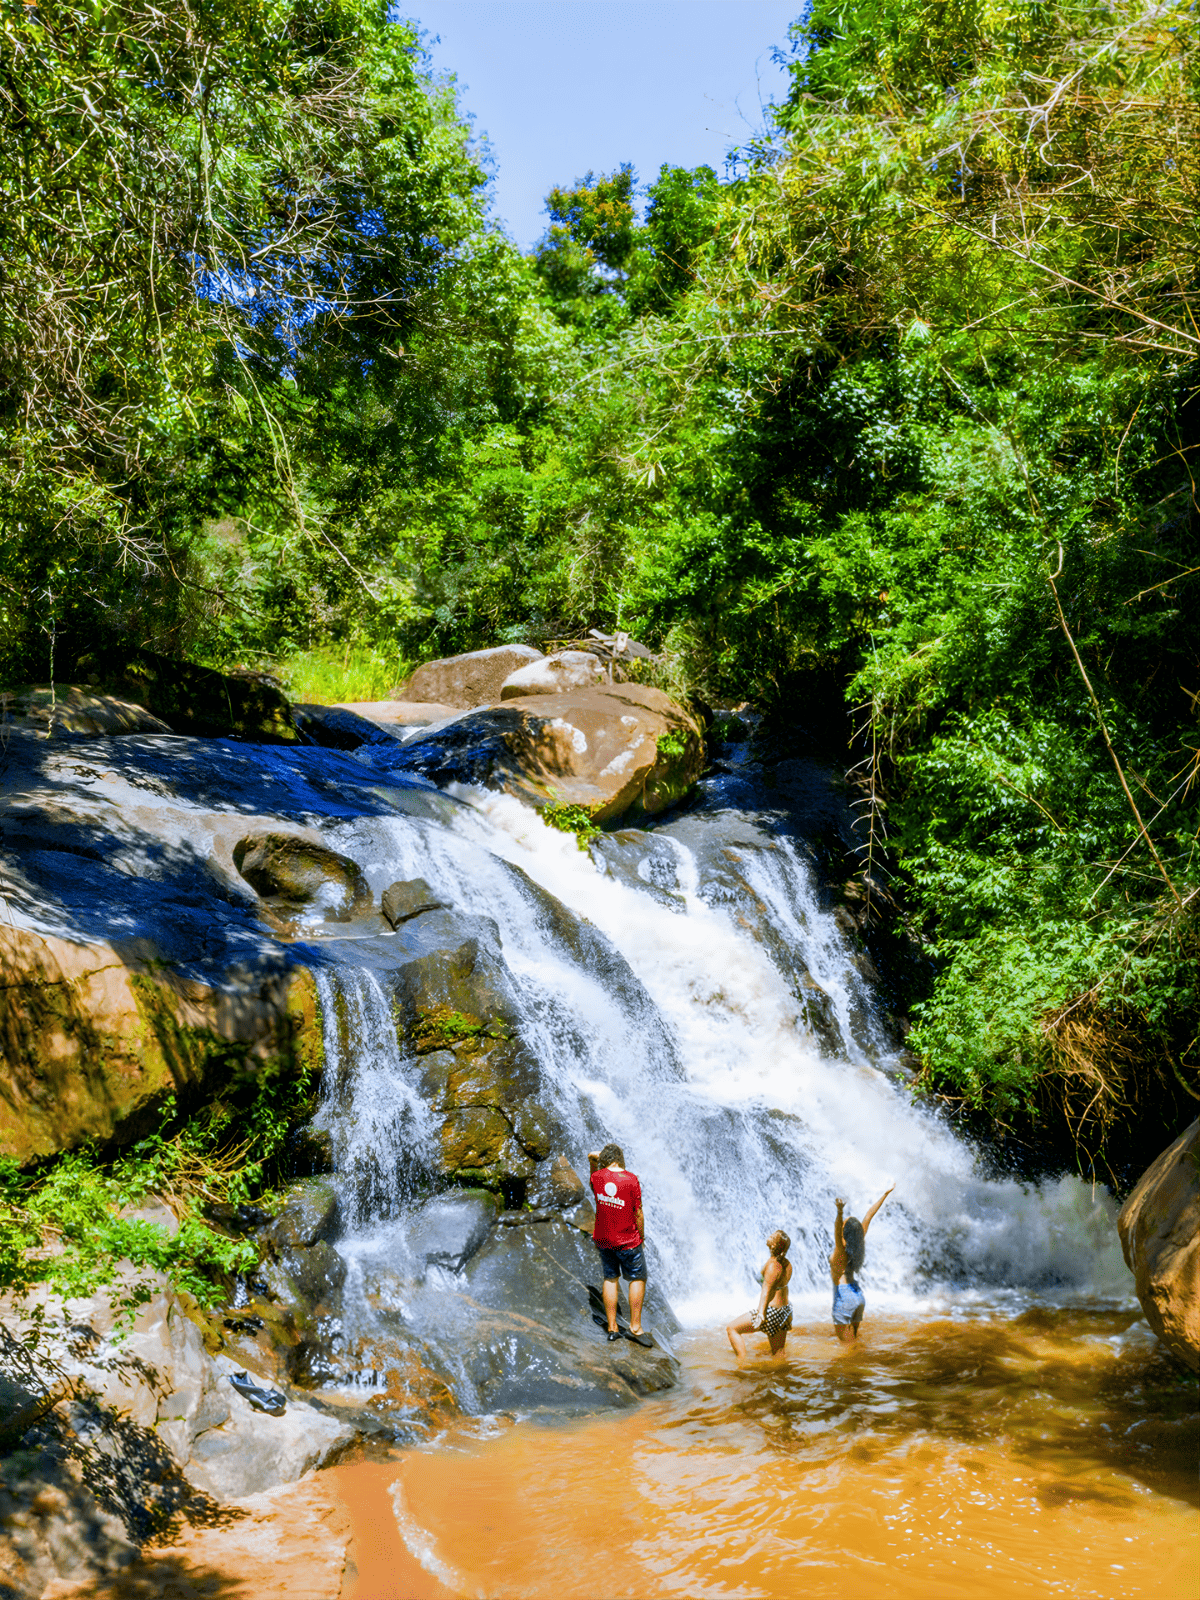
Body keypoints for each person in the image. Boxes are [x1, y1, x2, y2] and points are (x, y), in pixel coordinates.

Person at [588, 1142, 653, 1347]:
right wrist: (641, 1237)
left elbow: (592, 1157)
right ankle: (635, 1328)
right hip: (627, 1240)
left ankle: (613, 1328)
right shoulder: (631, 1179)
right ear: (620, 1159)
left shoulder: (596, 1178)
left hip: (604, 1239)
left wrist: (598, 1158)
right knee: (637, 1278)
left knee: (610, 1278)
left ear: (604, 1160)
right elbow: (638, 1212)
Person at [829, 1184, 895, 1343]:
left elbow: (837, 1229)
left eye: (844, 1223)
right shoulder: (858, 1242)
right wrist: (885, 1194)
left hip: (844, 1294)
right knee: (854, 1340)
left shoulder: (840, 1249)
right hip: (857, 1295)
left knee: (845, 1346)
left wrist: (839, 1211)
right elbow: (868, 1216)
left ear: (844, 1232)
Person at [726, 1230, 793, 1360]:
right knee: (779, 1354)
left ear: (774, 1245)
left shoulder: (773, 1265)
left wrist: (761, 1314)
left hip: (771, 1311)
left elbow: (766, 1291)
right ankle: (782, 1377)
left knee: (732, 1328)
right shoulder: (787, 1264)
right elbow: (781, 1287)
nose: (769, 1235)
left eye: (773, 1236)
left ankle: (741, 1363)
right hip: (784, 1311)